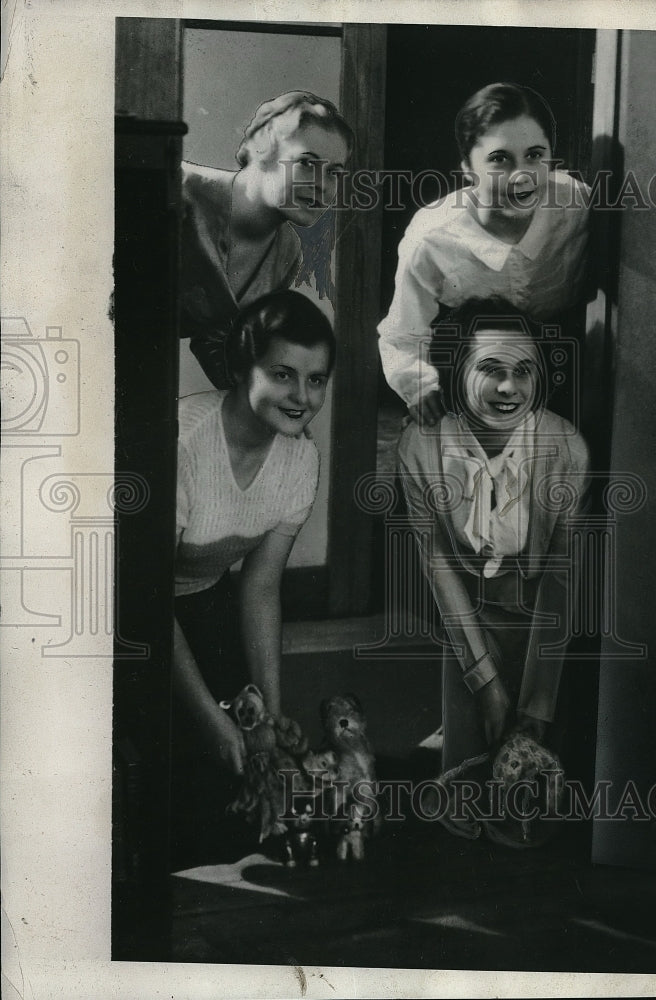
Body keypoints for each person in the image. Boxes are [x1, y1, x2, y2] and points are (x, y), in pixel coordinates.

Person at [397, 297, 590, 841]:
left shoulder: (566, 448)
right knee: (463, 805)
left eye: (523, 372)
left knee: (528, 787)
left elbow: (561, 577)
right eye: (491, 369)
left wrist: (537, 703)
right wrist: (484, 680)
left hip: (541, 626)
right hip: (465, 617)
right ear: (457, 372)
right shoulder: (421, 443)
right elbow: (436, 561)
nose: (509, 388)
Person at [171, 290, 335, 862]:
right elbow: (136, 599)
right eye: (284, 374)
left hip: (205, 601)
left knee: (247, 785)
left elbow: (261, 587)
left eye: (317, 380)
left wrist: (269, 712)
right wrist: (210, 721)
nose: (302, 397)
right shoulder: (184, 447)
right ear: (243, 368)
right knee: (182, 804)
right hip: (129, 618)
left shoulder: (300, 459)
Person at [379, 82, 590, 426]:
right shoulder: (433, 237)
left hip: (561, 369)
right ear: (467, 167)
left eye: (535, 155)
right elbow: (402, 335)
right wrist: (421, 390)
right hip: (469, 373)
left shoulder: (577, 205)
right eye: (499, 159)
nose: (521, 175)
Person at [181, 90, 353, 388]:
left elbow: (222, 345)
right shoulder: (178, 190)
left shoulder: (287, 251)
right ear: (263, 151)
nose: (323, 186)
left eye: (335, 173)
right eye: (307, 164)